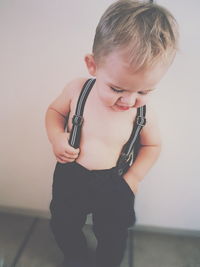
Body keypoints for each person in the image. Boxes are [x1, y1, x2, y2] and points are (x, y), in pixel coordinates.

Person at [45, 1, 179, 266]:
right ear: (92, 65)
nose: (129, 101)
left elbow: (152, 146)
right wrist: (57, 137)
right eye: (118, 89)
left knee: (113, 234)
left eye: (144, 91)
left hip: (115, 182)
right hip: (72, 174)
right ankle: (75, 255)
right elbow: (54, 112)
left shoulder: (144, 113)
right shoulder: (77, 89)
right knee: (63, 223)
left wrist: (133, 178)